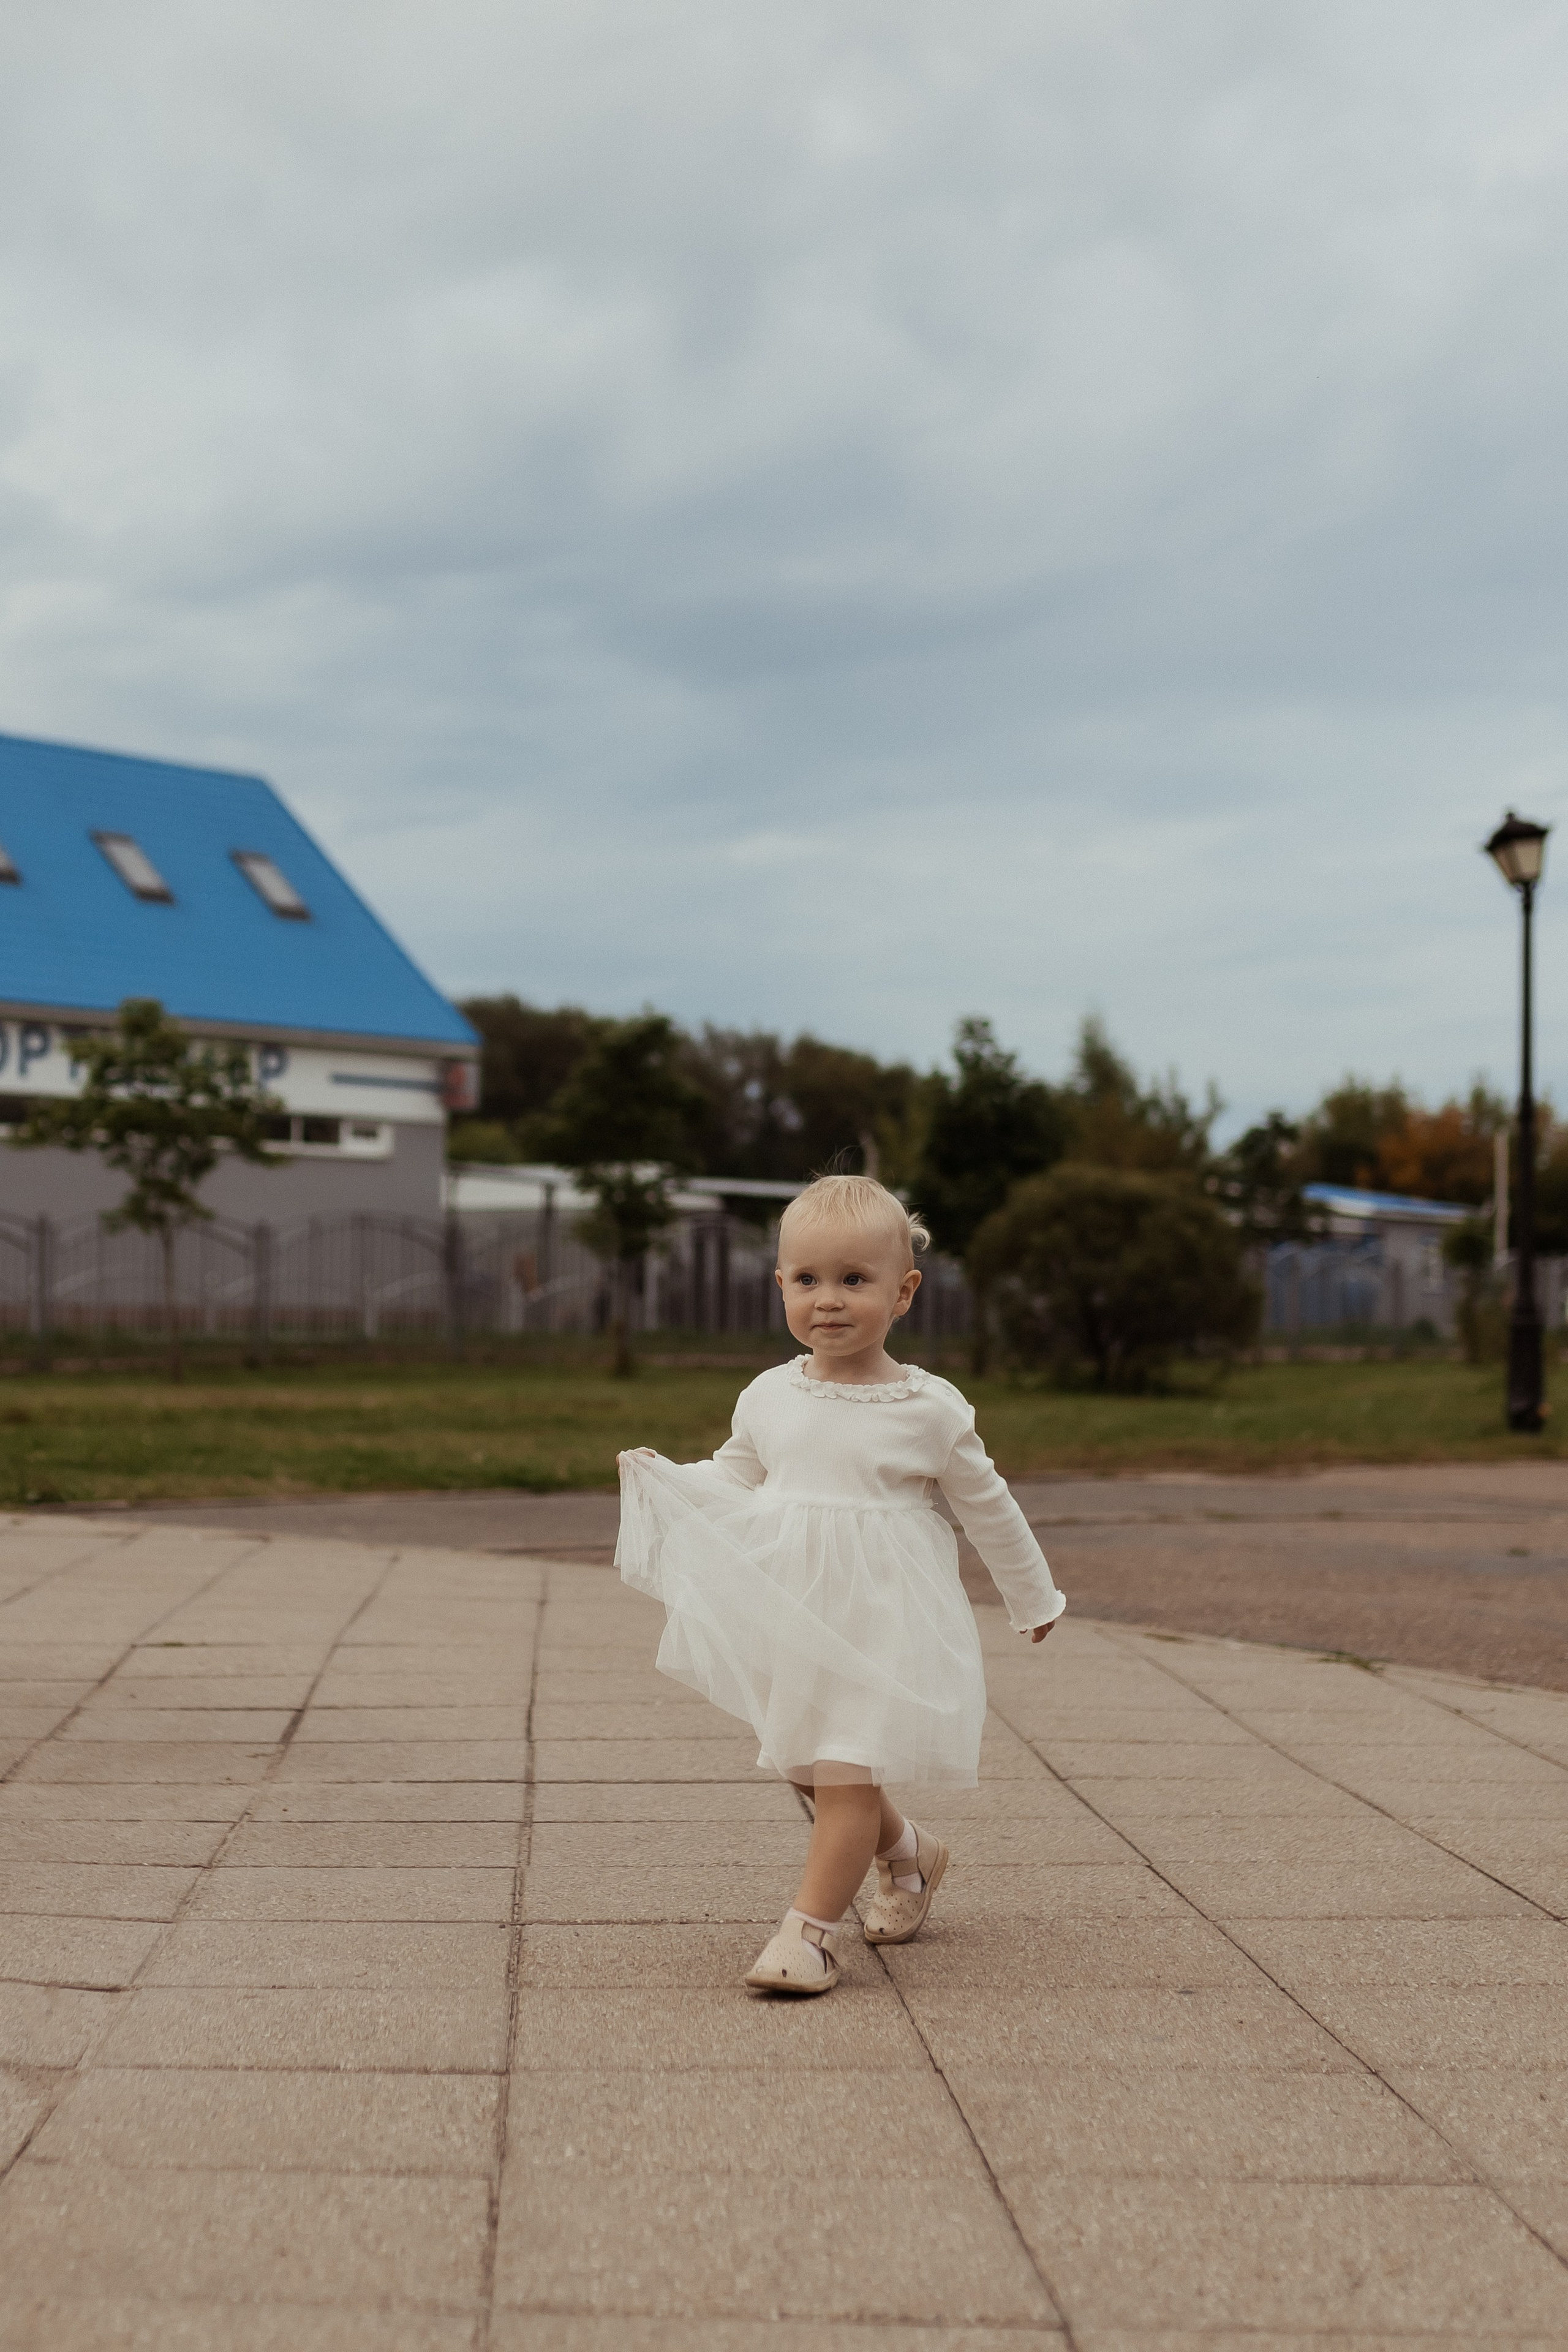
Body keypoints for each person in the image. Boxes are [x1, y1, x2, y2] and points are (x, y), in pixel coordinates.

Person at [616, 1172, 1065, 1996]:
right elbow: (733, 1476)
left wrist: (1032, 1596)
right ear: (780, 1285)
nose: (830, 1300)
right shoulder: (769, 1396)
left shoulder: (927, 1408)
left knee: (846, 1768)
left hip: (885, 1616)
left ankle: (810, 1936)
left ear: (904, 1292)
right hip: (795, 1609)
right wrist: (670, 1482)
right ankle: (908, 1855)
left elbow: (988, 1506)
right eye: (810, 1279)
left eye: (855, 1280)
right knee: (808, 1763)